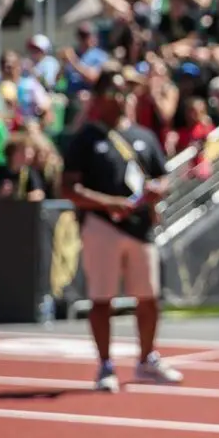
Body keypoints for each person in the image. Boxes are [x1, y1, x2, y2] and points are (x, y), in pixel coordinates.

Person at [61, 64, 182, 393]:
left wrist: (158, 190)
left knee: (149, 297)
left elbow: (164, 176)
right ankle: (105, 364)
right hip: (102, 226)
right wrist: (108, 203)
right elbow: (68, 187)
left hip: (140, 227)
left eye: (125, 91)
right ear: (99, 97)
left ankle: (147, 358)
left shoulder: (144, 136)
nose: (122, 97)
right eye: (115, 91)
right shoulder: (86, 139)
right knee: (103, 299)